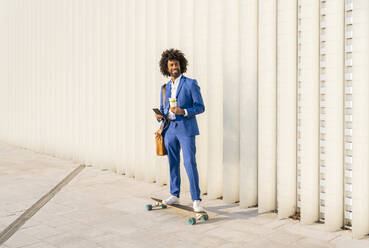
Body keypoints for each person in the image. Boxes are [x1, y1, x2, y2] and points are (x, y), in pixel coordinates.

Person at [154, 49, 205, 212]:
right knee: (173, 163)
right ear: (166, 68)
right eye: (171, 65)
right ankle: (174, 194)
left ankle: (196, 199)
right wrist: (160, 116)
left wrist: (183, 111)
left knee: (190, 162)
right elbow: (164, 108)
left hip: (186, 129)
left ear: (181, 65)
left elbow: (200, 107)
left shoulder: (190, 83)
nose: (174, 67)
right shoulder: (165, 87)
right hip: (170, 130)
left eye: (176, 64)